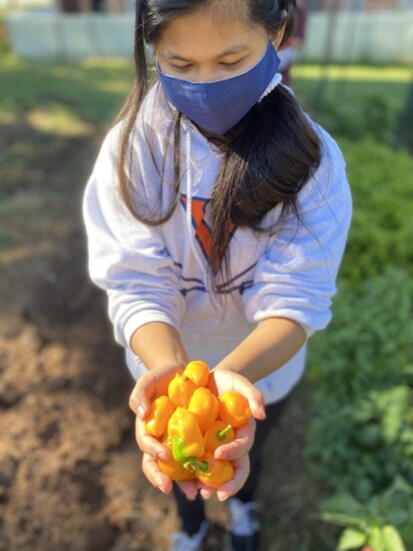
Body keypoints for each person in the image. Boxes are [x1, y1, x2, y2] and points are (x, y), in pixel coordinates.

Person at [82, 1, 352, 550]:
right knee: (179, 464)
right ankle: (192, 526)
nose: (206, 84)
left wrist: (227, 380)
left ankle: (244, 508)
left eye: (231, 62)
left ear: (278, 32)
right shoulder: (136, 149)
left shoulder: (312, 163)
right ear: (151, 46)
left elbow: (296, 298)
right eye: (180, 65)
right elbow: (136, 280)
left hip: (263, 370)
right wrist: (177, 380)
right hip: (165, 360)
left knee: (250, 439)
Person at [276, 0, 307, 86]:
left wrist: (287, 43)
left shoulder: (299, 11)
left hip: (282, 60)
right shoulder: (273, 6)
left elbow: (298, 42)